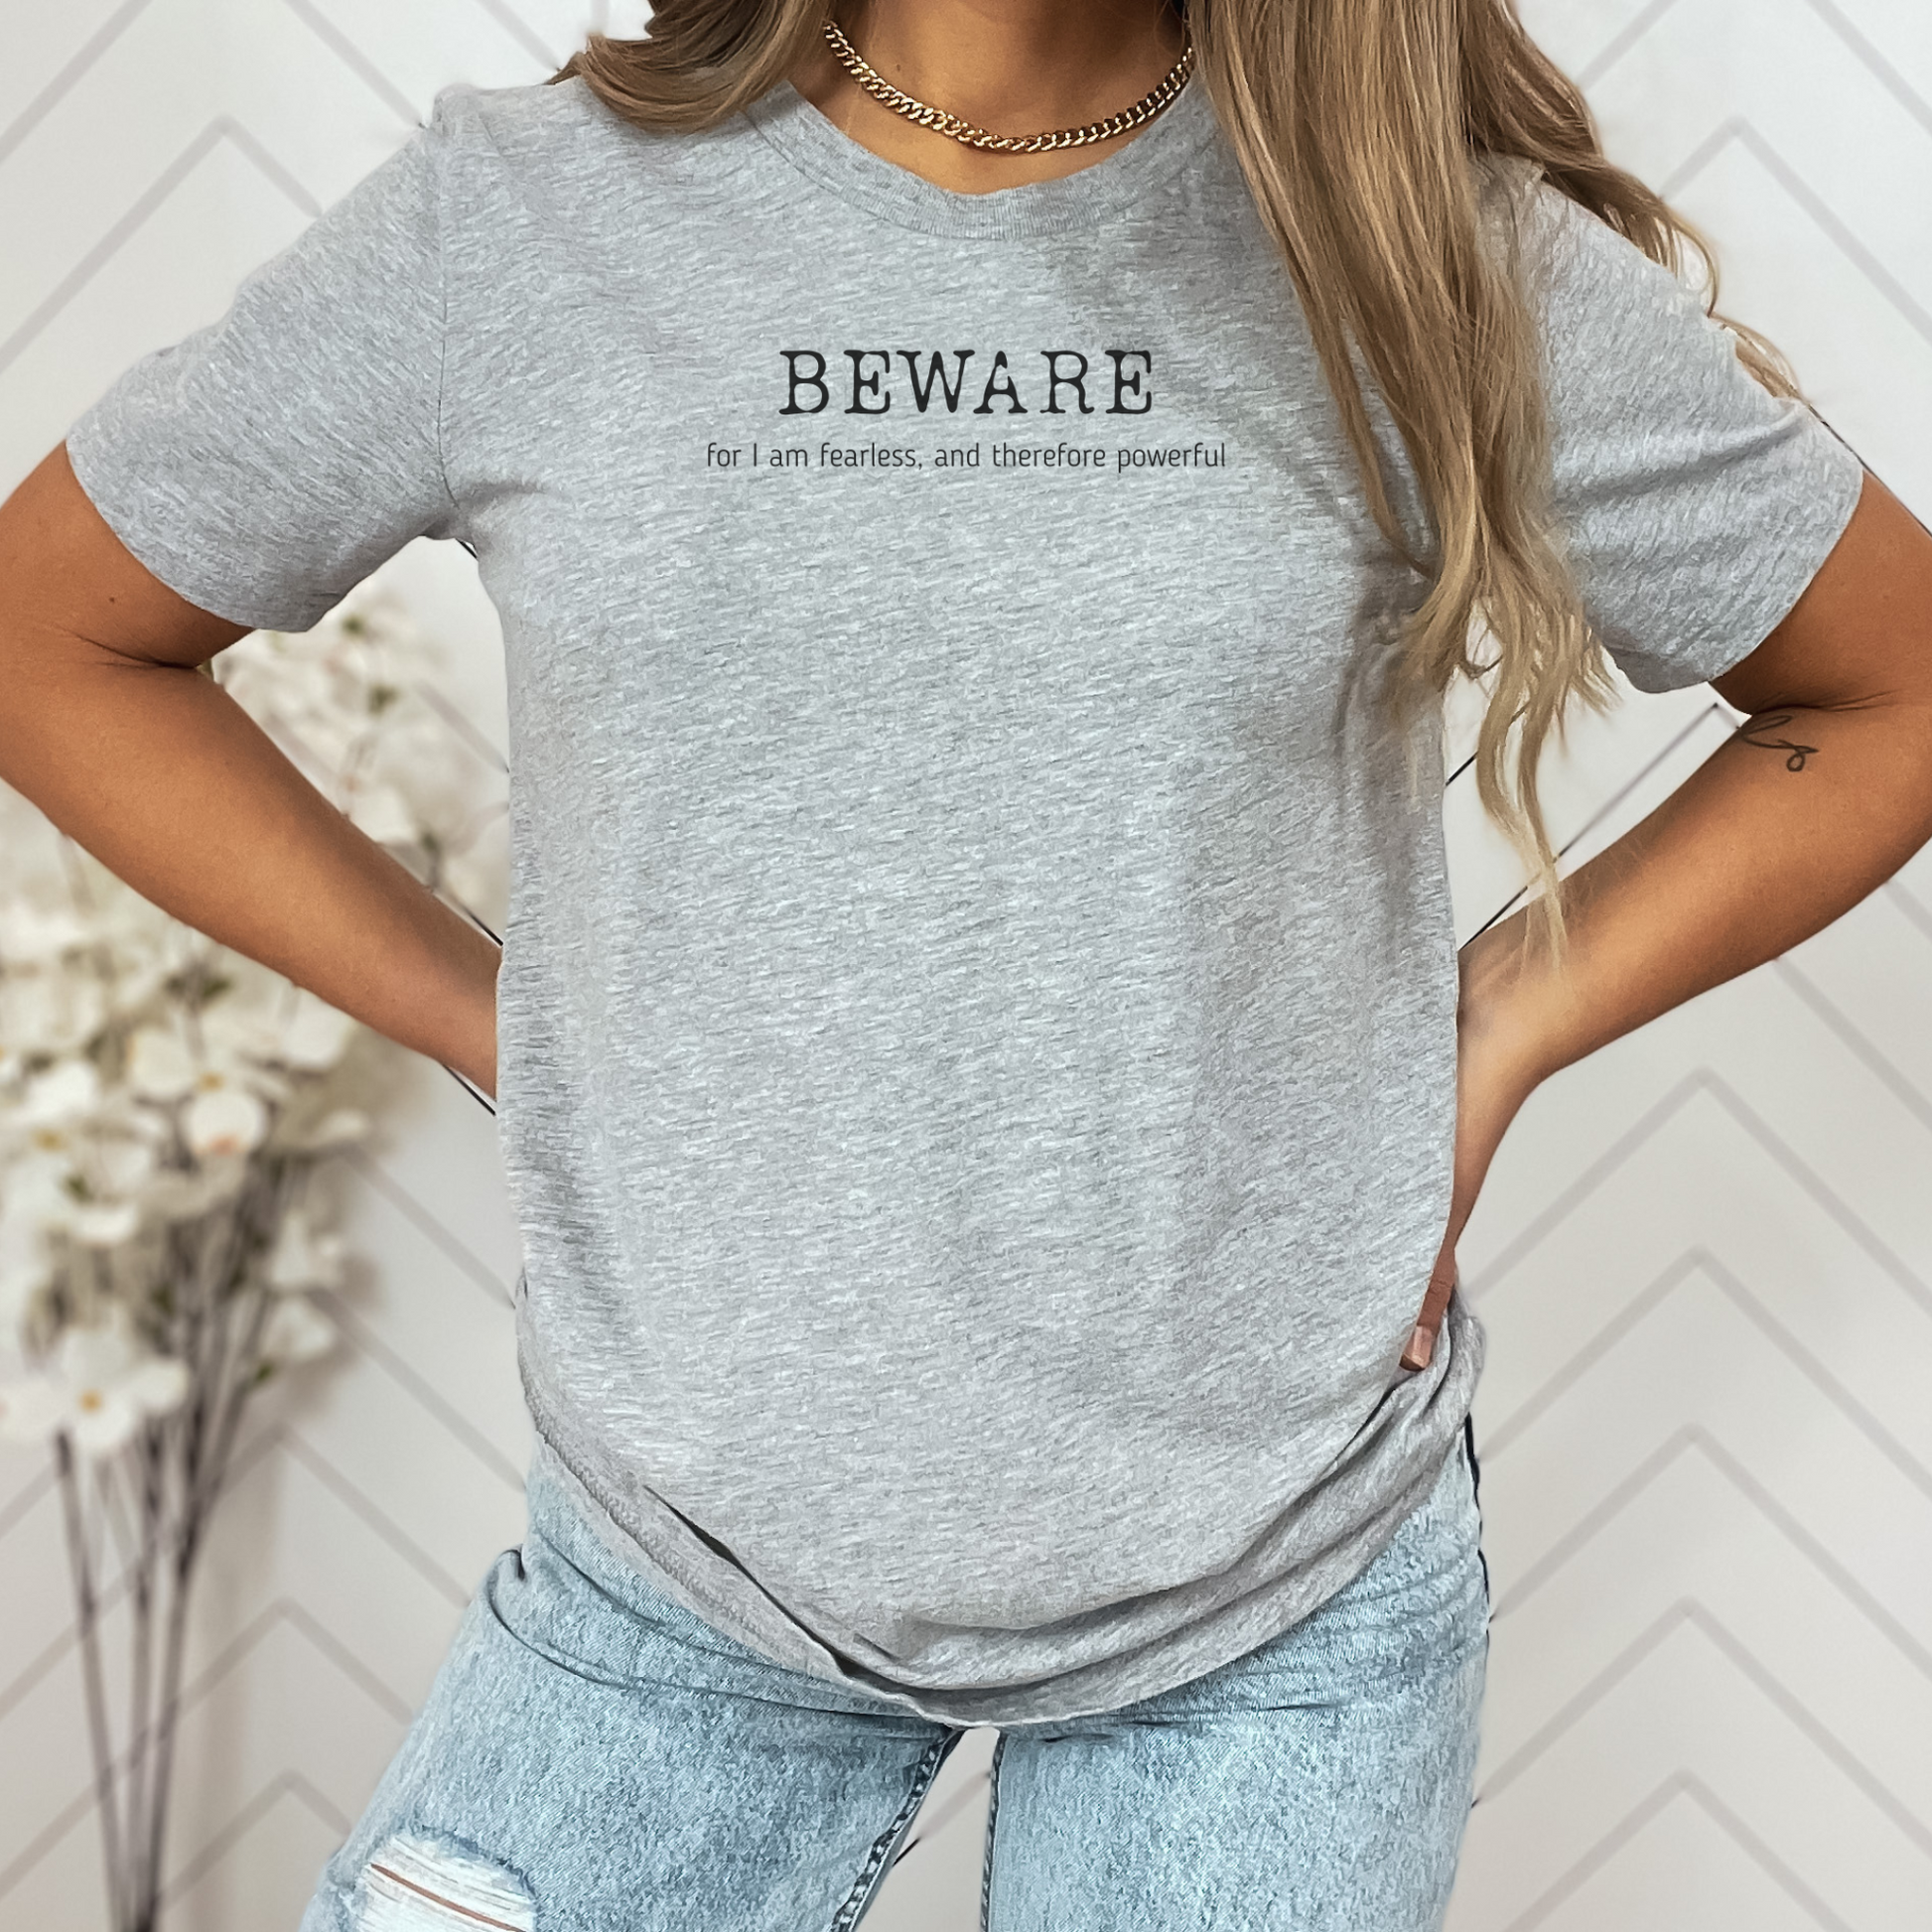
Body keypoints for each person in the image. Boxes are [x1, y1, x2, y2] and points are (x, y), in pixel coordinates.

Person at [2, 0, 1927, 1924]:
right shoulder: (523, 224)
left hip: (1275, 1587)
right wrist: (491, 1016)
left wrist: (1497, 1024)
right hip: (674, 1573)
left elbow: (1890, 688)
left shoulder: (1411, 244)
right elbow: (50, 632)